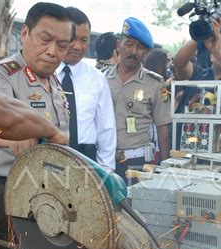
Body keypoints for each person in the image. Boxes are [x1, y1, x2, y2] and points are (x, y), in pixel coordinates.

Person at [0, 2, 73, 249]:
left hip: (48, 190)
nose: (54, 52)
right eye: (46, 40)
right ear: (25, 33)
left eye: (62, 45)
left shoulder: (54, 81)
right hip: (7, 191)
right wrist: (8, 141)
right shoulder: (1, 75)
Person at [106, 17, 172, 182]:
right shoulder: (101, 79)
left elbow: (163, 128)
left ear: (146, 53)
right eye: (129, 44)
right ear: (118, 45)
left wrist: (165, 168)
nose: (134, 51)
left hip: (139, 163)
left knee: (136, 207)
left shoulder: (156, 84)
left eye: (140, 47)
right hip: (105, 160)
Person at [56, 7, 116, 171]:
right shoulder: (44, 74)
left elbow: (106, 128)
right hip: (51, 156)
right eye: (72, 39)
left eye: (83, 40)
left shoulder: (97, 78)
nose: (77, 46)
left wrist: (106, 171)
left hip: (87, 159)